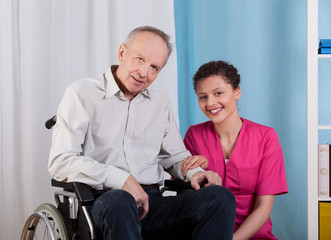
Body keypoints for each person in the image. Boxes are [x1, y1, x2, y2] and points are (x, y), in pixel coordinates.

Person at [48, 27, 236, 239]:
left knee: (220, 197)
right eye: (140, 59)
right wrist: (122, 179)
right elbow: (60, 161)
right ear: (122, 53)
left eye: (154, 67)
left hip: (153, 202)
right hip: (104, 202)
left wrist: (196, 174)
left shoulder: (160, 101)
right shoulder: (82, 94)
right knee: (120, 199)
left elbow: (173, 156)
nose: (144, 73)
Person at [182, 61, 288, 240]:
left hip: (254, 235)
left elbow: (264, 206)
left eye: (218, 93)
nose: (211, 103)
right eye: (203, 97)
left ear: (237, 92)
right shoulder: (194, 135)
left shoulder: (266, 137)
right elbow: (186, 196)